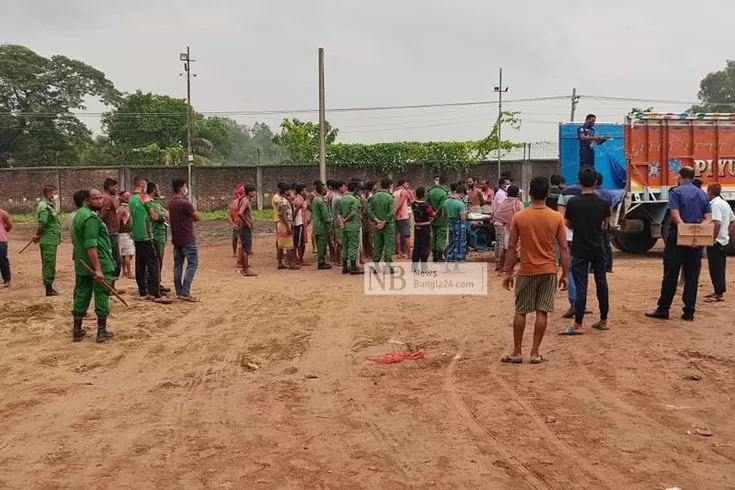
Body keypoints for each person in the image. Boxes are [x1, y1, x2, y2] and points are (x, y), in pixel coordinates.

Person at [501, 177, 569, 364]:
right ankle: (535, 353)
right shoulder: (556, 217)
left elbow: (512, 247)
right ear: (547, 194)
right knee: (542, 311)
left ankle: (516, 352)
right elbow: (563, 248)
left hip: (526, 270)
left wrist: (507, 272)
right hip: (548, 270)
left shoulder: (520, 217)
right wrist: (565, 274)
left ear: (530, 193)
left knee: (520, 311)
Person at [646, 167, 712, 321]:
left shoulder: (676, 192)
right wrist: (696, 233)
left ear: (679, 177)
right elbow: (708, 217)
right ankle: (689, 312)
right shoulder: (702, 193)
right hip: (696, 240)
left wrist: (684, 231)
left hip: (678, 238)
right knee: (691, 276)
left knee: (670, 274)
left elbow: (675, 215)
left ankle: (663, 309)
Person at [560, 167, 611, 335]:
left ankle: (578, 324)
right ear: (595, 182)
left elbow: (569, 224)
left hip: (580, 246)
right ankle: (603, 320)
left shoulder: (574, 202)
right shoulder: (603, 202)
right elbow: (605, 225)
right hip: (599, 246)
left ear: (580, 182)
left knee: (581, 284)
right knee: (601, 282)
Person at [70, 188, 116, 343]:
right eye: (95, 199)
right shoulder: (90, 218)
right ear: (87, 200)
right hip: (99, 262)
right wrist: (98, 268)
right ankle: (101, 331)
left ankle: (77, 329)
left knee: (82, 293)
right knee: (102, 294)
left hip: (82, 263)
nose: (100, 201)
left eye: (100, 198)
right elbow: (91, 244)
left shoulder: (79, 215)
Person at [129, 176, 171, 304]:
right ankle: (157, 294)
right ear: (142, 185)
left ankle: (143, 292)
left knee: (140, 264)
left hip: (136, 235)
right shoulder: (144, 197)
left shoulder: (131, 198)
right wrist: (161, 216)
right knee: (155, 263)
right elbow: (153, 216)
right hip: (147, 235)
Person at [169, 178, 201, 300]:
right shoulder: (184, 203)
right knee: (192, 264)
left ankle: (179, 291)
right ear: (182, 187)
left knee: (178, 265)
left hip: (177, 239)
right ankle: (185, 292)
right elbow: (197, 217)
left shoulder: (171, 202)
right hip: (187, 238)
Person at [704, 183, 734, 303]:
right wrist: (727, 233)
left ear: (710, 192)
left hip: (717, 242)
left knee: (715, 268)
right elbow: (733, 220)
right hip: (723, 240)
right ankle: (718, 290)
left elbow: (717, 223)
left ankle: (718, 294)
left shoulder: (715, 205)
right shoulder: (724, 203)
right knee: (720, 267)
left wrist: (713, 239)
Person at [33, 185, 61, 296]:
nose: (55, 195)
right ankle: (49, 289)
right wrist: (37, 235)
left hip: (51, 238)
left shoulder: (49, 205)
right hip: (48, 239)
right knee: (49, 264)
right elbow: (42, 224)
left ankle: (49, 287)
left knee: (49, 263)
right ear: (49, 194)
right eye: (54, 193)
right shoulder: (44, 206)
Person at [493, 184, 524, 273]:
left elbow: (498, 214)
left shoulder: (504, 203)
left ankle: (501, 268)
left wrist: (505, 222)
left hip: (507, 228)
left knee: (505, 248)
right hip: (516, 230)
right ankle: (510, 269)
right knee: (514, 250)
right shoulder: (518, 203)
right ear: (517, 193)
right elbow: (522, 217)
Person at [368, 179, 396, 274]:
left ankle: (376, 266)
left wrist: (377, 221)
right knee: (389, 245)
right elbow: (391, 212)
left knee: (378, 245)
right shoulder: (389, 197)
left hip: (377, 225)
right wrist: (384, 222)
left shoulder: (374, 197)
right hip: (388, 225)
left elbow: (369, 211)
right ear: (389, 186)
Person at [146, 182, 169, 292]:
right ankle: (153, 285)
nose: (159, 190)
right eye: (158, 188)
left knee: (159, 261)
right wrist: (162, 216)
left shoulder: (155, 203)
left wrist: (163, 216)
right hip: (155, 235)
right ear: (154, 189)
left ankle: (157, 283)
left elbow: (165, 214)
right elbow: (157, 217)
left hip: (160, 234)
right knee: (155, 261)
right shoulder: (149, 202)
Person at [100, 178, 122, 289]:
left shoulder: (105, 198)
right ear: (109, 187)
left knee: (113, 258)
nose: (116, 189)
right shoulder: (107, 199)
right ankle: (111, 286)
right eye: (115, 187)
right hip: (111, 233)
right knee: (115, 259)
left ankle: (111, 286)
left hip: (111, 232)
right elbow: (102, 216)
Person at [338, 181, 364, 274]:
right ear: (356, 189)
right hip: (353, 226)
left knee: (345, 245)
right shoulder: (354, 200)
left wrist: (343, 222)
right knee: (353, 246)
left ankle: (345, 266)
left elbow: (339, 213)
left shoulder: (342, 199)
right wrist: (346, 220)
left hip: (345, 227)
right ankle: (353, 267)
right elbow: (353, 213)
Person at [594, 173, 615, 273]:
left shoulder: (592, 193)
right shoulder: (608, 193)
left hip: (593, 222)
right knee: (606, 245)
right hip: (605, 222)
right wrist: (607, 222)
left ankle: (593, 267)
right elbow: (609, 210)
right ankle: (608, 266)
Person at [444, 185, 468, 270]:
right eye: (463, 196)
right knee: (459, 245)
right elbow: (462, 218)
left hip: (450, 224)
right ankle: (456, 266)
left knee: (452, 244)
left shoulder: (446, 202)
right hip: (459, 225)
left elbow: (444, 215)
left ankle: (446, 265)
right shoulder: (460, 204)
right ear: (461, 194)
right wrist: (465, 215)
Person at [427, 175, 450, 262]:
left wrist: (431, 215)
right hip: (441, 219)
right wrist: (435, 214)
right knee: (441, 237)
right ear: (446, 182)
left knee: (434, 236)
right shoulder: (444, 193)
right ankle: (439, 256)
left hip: (432, 218)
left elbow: (427, 204)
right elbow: (441, 207)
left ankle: (434, 255)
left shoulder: (430, 191)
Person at [411, 187, 434, 271]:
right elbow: (432, 214)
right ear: (424, 195)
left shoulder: (413, 204)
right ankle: (424, 266)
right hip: (425, 227)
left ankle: (414, 266)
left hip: (417, 227)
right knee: (425, 246)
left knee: (416, 245)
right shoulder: (426, 205)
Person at [312, 181, 333, 270]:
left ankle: (321, 261)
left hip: (316, 225)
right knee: (322, 244)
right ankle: (321, 262)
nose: (326, 191)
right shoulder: (321, 201)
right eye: (324, 189)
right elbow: (325, 215)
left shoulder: (315, 199)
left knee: (319, 243)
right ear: (321, 190)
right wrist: (329, 226)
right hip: (322, 225)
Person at [237, 185, 257, 277]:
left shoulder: (245, 200)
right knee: (246, 249)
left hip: (243, 227)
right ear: (249, 192)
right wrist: (247, 223)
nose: (254, 193)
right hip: (245, 227)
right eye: (253, 191)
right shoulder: (245, 201)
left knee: (245, 248)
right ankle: (246, 270)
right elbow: (240, 213)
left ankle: (244, 269)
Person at [277, 188, 299, 270]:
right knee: (289, 245)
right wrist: (288, 226)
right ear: (284, 191)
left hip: (282, 224)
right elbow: (284, 215)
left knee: (281, 245)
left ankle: (280, 263)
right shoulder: (284, 202)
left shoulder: (282, 200)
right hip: (285, 224)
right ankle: (291, 264)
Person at [393, 179, 412, 259]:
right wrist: (396, 211)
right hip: (403, 216)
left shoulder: (395, 192)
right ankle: (409, 253)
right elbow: (401, 203)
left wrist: (395, 213)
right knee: (407, 235)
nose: (407, 185)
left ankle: (399, 252)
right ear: (403, 183)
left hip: (397, 217)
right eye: (406, 183)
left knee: (398, 235)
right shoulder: (404, 192)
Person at [117, 192, 134, 280]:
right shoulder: (124, 209)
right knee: (128, 254)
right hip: (125, 234)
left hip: (123, 234)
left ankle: (124, 272)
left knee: (124, 254)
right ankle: (129, 271)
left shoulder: (122, 208)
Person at [273, 183, 289, 269]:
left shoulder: (282, 199)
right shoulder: (278, 198)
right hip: (280, 220)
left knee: (280, 239)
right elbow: (282, 209)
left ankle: (281, 257)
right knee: (280, 239)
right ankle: (280, 256)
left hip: (281, 220)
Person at [293, 184, 309, 266]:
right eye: (305, 190)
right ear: (301, 191)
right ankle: (300, 260)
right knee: (299, 243)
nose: (306, 192)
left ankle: (300, 258)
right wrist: (293, 221)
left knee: (301, 242)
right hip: (299, 223)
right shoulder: (298, 200)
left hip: (302, 223)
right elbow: (295, 212)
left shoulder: (302, 200)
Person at [230, 185, 245, 259]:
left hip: (237, 223)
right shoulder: (239, 202)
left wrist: (233, 224)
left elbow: (229, 215)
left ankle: (235, 253)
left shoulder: (236, 201)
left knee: (236, 238)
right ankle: (239, 257)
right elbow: (230, 215)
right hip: (239, 223)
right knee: (238, 240)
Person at [362, 182, 376, 260]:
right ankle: (370, 253)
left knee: (366, 236)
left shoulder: (363, 195)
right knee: (371, 236)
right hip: (370, 218)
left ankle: (366, 252)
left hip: (364, 218)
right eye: (375, 185)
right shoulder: (371, 196)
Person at [0, 208, 12, 288]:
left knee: (3, 260)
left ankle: (7, 280)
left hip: (1, 240)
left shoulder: (3, 213)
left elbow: (10, 225)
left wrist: (3, 232)